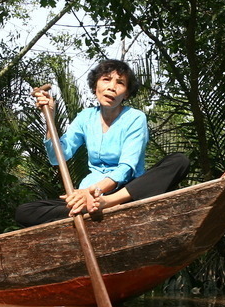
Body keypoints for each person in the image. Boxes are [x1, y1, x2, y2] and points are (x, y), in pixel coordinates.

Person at [15, 59, 190, 227]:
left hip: (125, 193)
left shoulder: (135, 118)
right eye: (106, 80)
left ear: (126, 93)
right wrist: (50, 118)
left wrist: (92, 192)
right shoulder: (86, 117)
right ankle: (84, 209)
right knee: (25, 211)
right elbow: (57, 156)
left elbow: (127, 168)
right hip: (88, 199)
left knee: (179, 161)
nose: (112, 87)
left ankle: (106, 205)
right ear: (95, 86)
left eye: (120, 83)